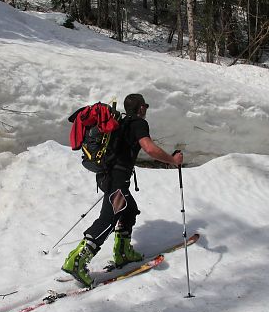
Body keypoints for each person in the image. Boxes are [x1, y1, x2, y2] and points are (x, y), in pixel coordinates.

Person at [61, 93, 184, 287]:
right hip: (117, 179)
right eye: (146, 106)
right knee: (108, 219)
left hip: (108, 177)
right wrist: (173, 160)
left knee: (129, 210)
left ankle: (123, 253)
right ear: (141, 108)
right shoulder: (137, 123)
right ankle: (77, 261)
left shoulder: (119, 123)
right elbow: (150, 149)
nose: (146, 110)